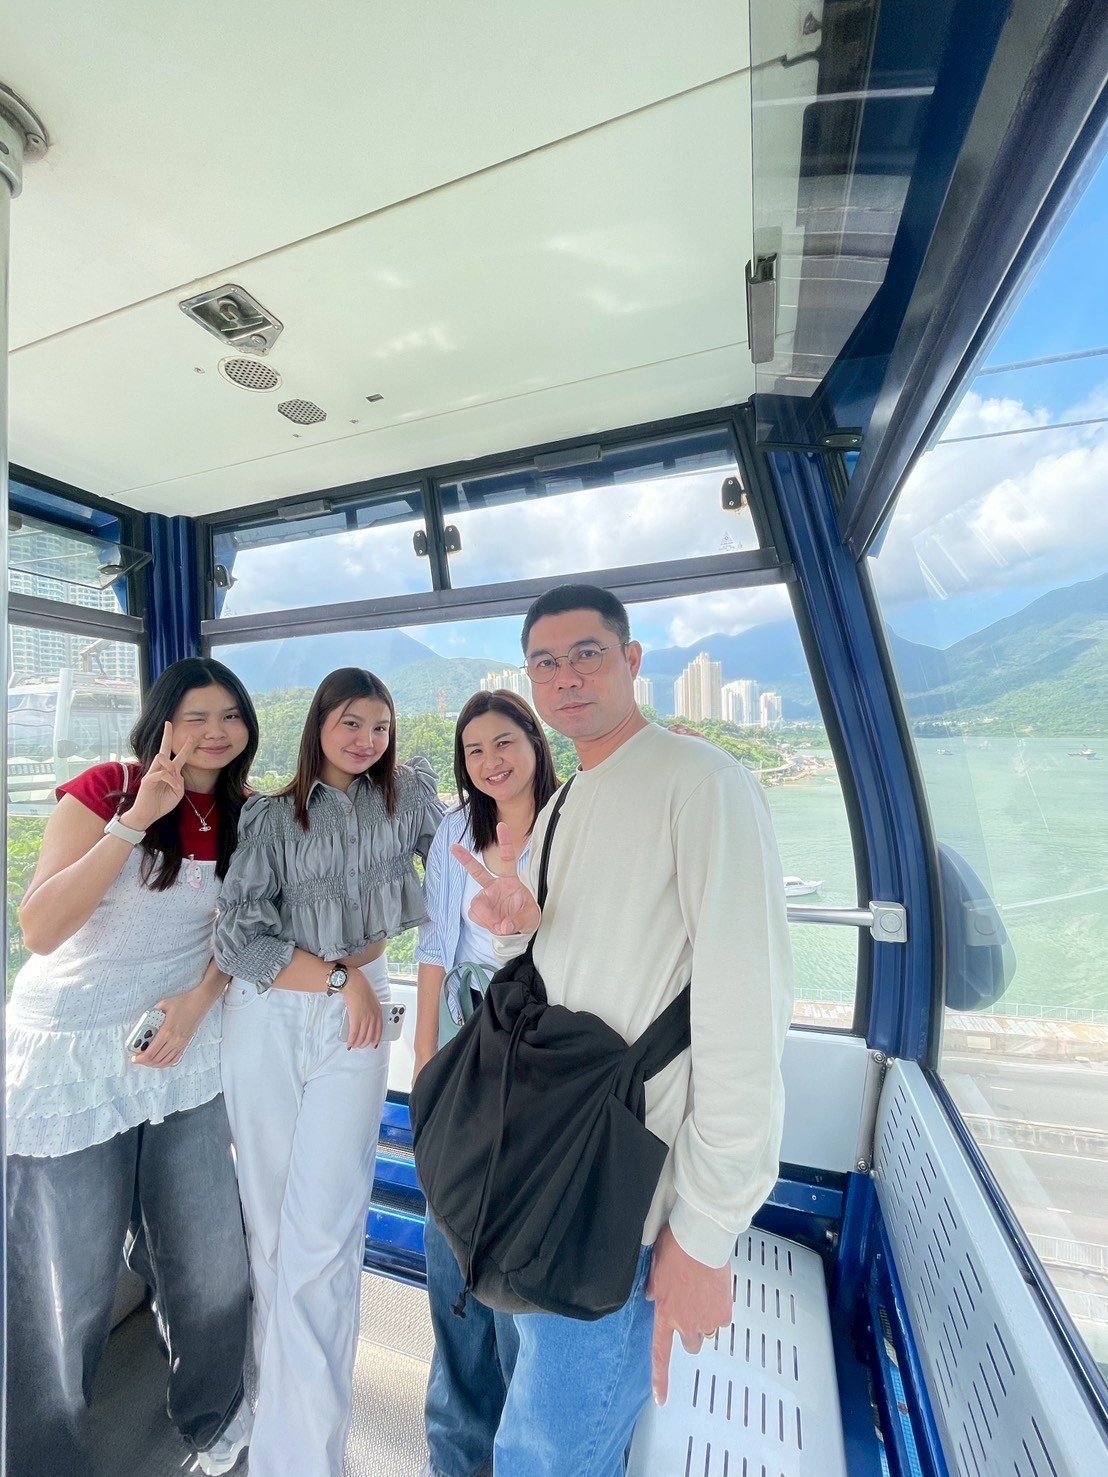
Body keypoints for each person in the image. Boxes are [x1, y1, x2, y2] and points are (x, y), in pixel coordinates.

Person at [450, 584, 793, 1477]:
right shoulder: (569, 798)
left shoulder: (701, 783)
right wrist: (515, 927)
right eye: (546, 663)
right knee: (540, 1424)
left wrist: (706, 1228)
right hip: (554, 1152)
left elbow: (746, 1008)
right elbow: (575, 959)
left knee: (553, 1448)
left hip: (626, 1187)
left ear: (631, 660)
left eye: (587, 654)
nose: (566, 677)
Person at [5, 656, 258, 1477]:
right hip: (73, 1058)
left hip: (180, 1050)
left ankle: (212, 1420)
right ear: (163, 723)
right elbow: (40, 928)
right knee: (64, 1288)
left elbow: (244, 930)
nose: (216, 730)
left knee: (211, 1260)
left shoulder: (247, 814)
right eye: (197, 715)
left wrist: (197, 1001)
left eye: (231, 714)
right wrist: (135, 820)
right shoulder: (109, 787)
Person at [213, 667, 443, 1477]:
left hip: (359, 1011)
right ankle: (282, 1432)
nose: (367, 739)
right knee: (272, 1236)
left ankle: (305, 1458)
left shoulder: (407, 799)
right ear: (318, 724)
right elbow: (236, 938)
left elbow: (471, 852)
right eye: (351, 722)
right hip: (272, 1008)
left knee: (325, 1239)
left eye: (380, 725)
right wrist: (340, 979)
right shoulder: (272, 817)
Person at [413, 689, 560, 1477]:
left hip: (546, 1058)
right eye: (474, 749)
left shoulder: (573, 819)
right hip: (469, 1045)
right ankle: (458, 1450)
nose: (490, 760)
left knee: (515, 1261)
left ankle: (517, 1447)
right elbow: (437, 945)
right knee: (450, 1241)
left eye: (504, 741)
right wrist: (425, 1061)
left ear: (535, 741)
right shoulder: (456, 831)